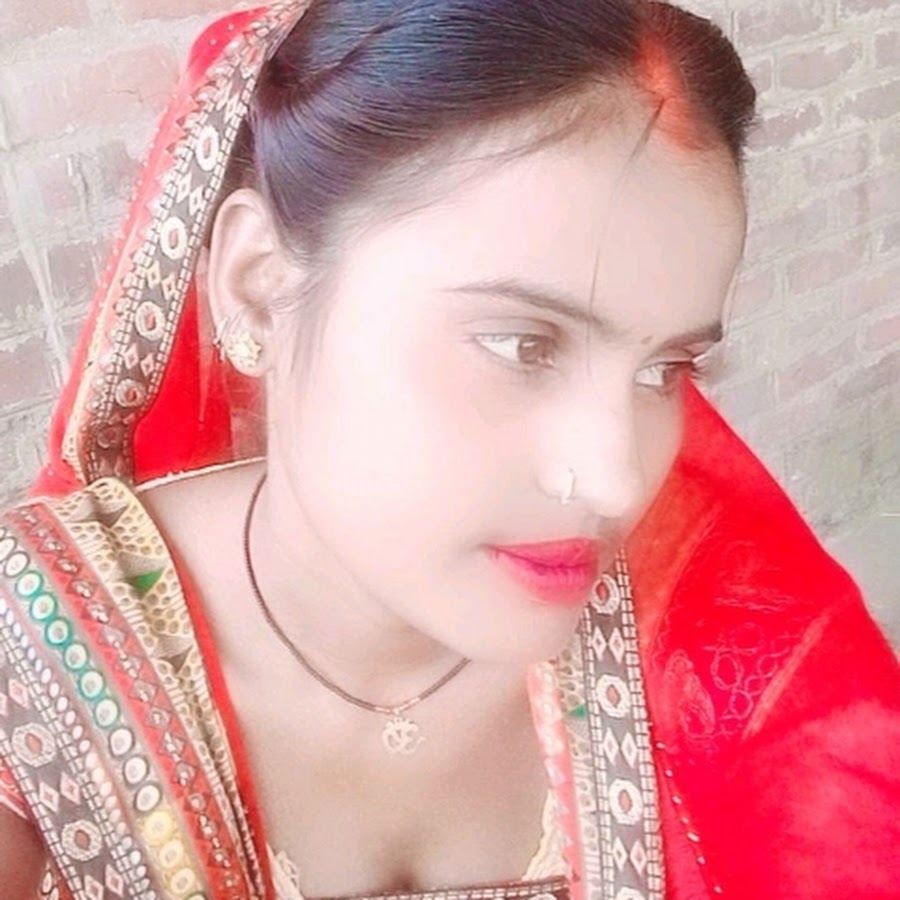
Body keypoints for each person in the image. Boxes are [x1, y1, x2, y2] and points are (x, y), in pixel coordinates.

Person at [0, 1, 897, 898]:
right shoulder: (26, 679)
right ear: (260, 286)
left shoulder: (722, 646)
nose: (615, 480)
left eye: (665, 369)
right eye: (522, 344)